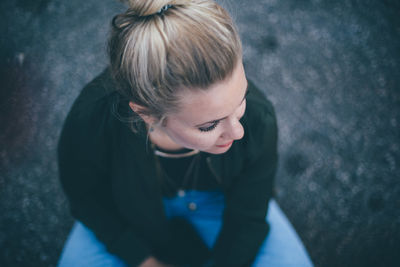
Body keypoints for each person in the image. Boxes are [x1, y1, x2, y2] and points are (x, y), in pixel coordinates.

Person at [57, 0, 313, 266]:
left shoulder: (258, 117)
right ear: (147, 114)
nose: (237, 131)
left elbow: (248, 218)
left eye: (240, 101)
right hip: (125, 207)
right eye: (208, 125)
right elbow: (87, 197)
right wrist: (141, 258)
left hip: (221, 200)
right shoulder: (93, 115)